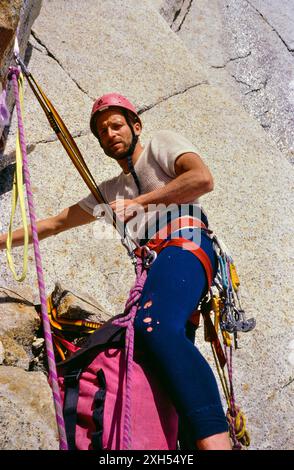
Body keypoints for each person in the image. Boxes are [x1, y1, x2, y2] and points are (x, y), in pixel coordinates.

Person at [0, 93, 231, 450]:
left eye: (116, 124)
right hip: (159, 266)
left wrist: (137, 204)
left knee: (151, 327)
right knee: (156, 357)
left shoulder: (161, 145)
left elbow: (201, 179)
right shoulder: (108, 192)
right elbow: (54, 224)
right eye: (102, 130)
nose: (109, 133)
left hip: (186, 244)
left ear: (135, 126)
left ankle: (217, 443)